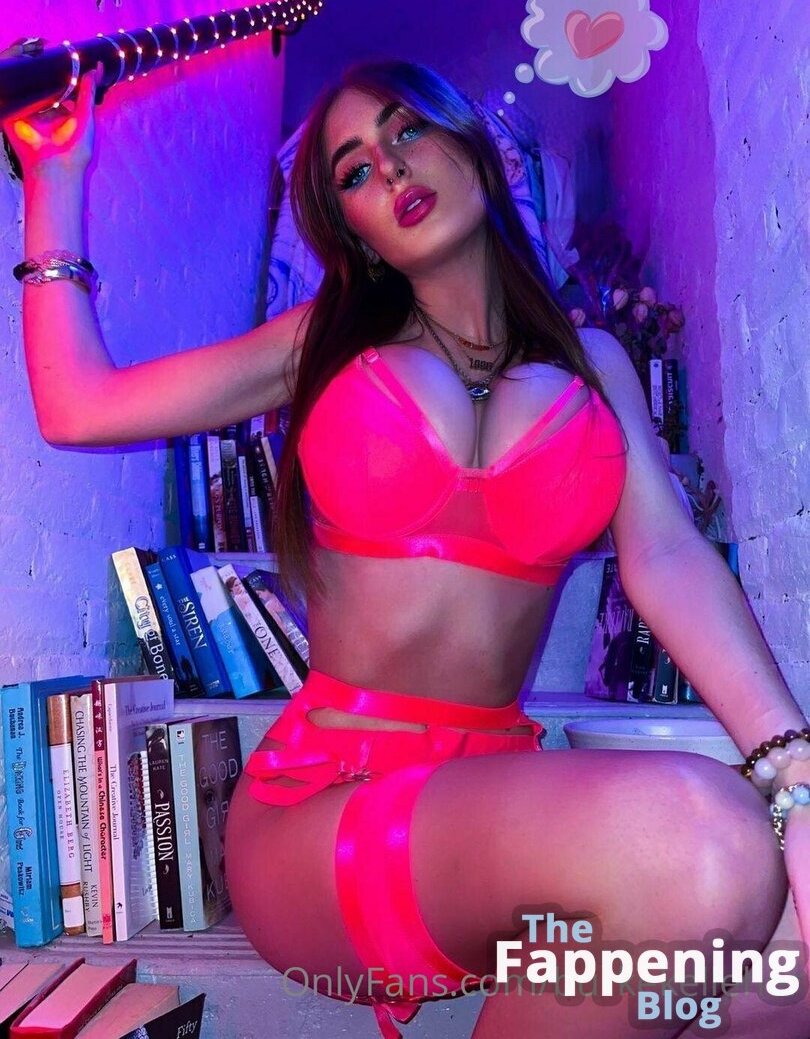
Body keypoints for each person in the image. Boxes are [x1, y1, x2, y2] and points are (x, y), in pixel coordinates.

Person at [5, 55, 810, 1039]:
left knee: (787, 971)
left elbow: (669, 559)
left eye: (406, 129)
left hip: (489, 812)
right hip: (324, 813)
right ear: (356, 231)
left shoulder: (593, 364)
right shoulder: (324, 345)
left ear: (470, 142)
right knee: (705, 842)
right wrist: (55, 177)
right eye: (354, 170)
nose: (389, 167)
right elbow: (80, 407)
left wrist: (796, 775)